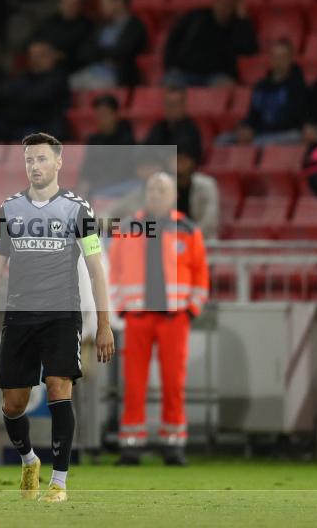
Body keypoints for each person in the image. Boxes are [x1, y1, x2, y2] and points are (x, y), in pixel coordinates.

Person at [0, 132, 116, 503]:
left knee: (59, 388)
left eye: (42, 159)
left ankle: (59, 482)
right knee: (13, 404)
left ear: (59, 162)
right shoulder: (10, 209)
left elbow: (96, 270)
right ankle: (29, 460)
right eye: (29, 159)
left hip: (62, 314)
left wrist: (105, 322)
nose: (35, 166)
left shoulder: (79, 209)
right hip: (20, 316)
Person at [108, 172, 209, 466]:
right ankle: (131, 446)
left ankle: (173, 445)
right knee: (134, 383)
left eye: (161, 189)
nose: (155, 194)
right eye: (151, 189)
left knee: (173, 383)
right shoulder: (127, 228)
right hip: (138, 317)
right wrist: (121, 307)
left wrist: (192, 309)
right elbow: (113, 271)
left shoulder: (188, 230)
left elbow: (201, 273)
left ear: (173, 195)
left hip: (174, 318)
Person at [163, 0, 258, 88]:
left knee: (228, 88)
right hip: (184, 72)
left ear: (236, 5)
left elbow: (250, 49)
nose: (222, 5)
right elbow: (172, 41)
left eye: (228, 2)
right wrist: (170, 66)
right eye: (219, 0)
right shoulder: (195, 17)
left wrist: (243, 20)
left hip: (216, 76)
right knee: (170, 87)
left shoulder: (238, 26)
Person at [230, 39, 308, 145]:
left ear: (290, 59)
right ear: (270, 59)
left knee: (262, 142)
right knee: (222, 140)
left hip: (284, 134)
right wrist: (246, 128)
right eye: (275, 57)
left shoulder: (298, 86)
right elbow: (253, 115)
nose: (279, 61)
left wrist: (256, 130)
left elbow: (291, 120)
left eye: (283, 57)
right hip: (259, 133)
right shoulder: (260, 87)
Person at [70, 0, 147, 89]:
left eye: (104, 1)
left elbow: (123, 52)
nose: (101, 6)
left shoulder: (135, 26)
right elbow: (85, 50)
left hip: (117, 77)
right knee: (65, 84)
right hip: (92, 72)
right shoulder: (101, 25)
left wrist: (99, 53)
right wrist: (105, 54)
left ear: (119, 2)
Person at [3, 40, 69, 140]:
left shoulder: (58, 78)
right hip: (18, 122)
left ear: (52, 57)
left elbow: (40, 98)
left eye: (40, 55)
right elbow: (8, 93)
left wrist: (22, 97)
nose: (35, 59)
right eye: (32, 55)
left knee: (29, 134)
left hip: (46, 125)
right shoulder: (25, 76)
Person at [78, 95, 137, 199]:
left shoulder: (127, 139)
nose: (101, 119)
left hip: (121, 185)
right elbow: (87, 167)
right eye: (98, 115)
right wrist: (84, 183)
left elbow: (122, 170)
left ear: (115, 115)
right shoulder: (94, 140)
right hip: (98, 186)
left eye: (104, 114)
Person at [30, 0, 93, 72]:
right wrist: (37, 47)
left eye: (73, 3)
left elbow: (85, 55)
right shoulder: (50, 21)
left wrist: (61, 56)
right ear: (60, 4)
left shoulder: (87, 26)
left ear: (80, 5)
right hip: (41, 66)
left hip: (68, 68)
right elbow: (33, 39)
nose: (69, 6)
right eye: (66, 2)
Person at [143, 87, 203, 164]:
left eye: (174, 104)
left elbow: (182, 159)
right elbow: (146, 150)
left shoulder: (190, 130)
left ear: (183, 105)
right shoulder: (159, 127)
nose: (170, 108)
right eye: (168, 104)